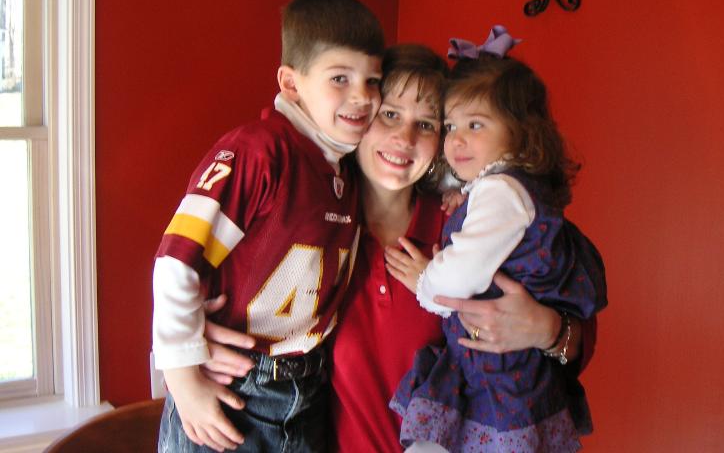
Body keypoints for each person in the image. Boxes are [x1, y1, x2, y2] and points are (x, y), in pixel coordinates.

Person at [200, 43, 599, 452]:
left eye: (426, 124)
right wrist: (194, 346)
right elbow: (223, 293)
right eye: (389, 115)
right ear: (361, 116)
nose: (404, 138)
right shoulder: (316, 228)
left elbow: (576, 328)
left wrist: (550, 331)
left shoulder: (474, 226)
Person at [151, 0, 385, 453]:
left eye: (373, 80)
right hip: (237, 384)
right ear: (291, 83)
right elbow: (176, 261)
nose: (363, 96)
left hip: (307, 385)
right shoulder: (259, 152)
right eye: (340, 78)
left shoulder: (346, 168)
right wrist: (182, 378)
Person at [385, 26, 608, 452]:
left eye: (474, 124)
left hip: (498, 377)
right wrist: (463, 191)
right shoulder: (494, 190)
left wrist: (426, 282)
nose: (456, 138)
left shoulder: (499, 192)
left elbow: (462, 274)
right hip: (496, 376)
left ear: (520, 133)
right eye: (451, 125)